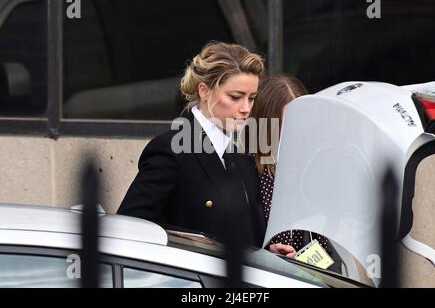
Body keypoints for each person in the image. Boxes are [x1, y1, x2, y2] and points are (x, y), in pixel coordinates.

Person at [117, 42, 293, 255]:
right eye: (235, 97)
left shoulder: (241, 156)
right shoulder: (171, 150)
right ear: (204, 91)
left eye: (252, 98)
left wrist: (266, 254)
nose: (246, 108)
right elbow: (129, 227)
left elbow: (244, 234)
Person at [250, 74, 332, 254]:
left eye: (302, 120)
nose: (297, 130)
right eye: (287, 122)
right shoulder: (247, 171)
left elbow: (322, 243)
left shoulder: (309, 167)